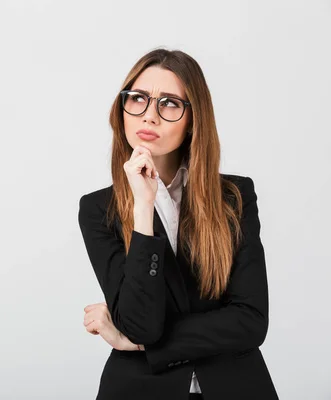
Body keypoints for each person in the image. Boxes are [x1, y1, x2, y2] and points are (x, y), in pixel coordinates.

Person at [77, 48, 279, 400]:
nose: (149, 116)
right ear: (121, 110)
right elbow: (141, 324)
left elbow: (250, 321)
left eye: (169, 103)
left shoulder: (234, 196)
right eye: (137, 98)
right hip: (141, 390)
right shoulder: (98, 209)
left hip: (237, 387)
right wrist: (143, 207)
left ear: (193, 119)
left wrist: (141, 346)